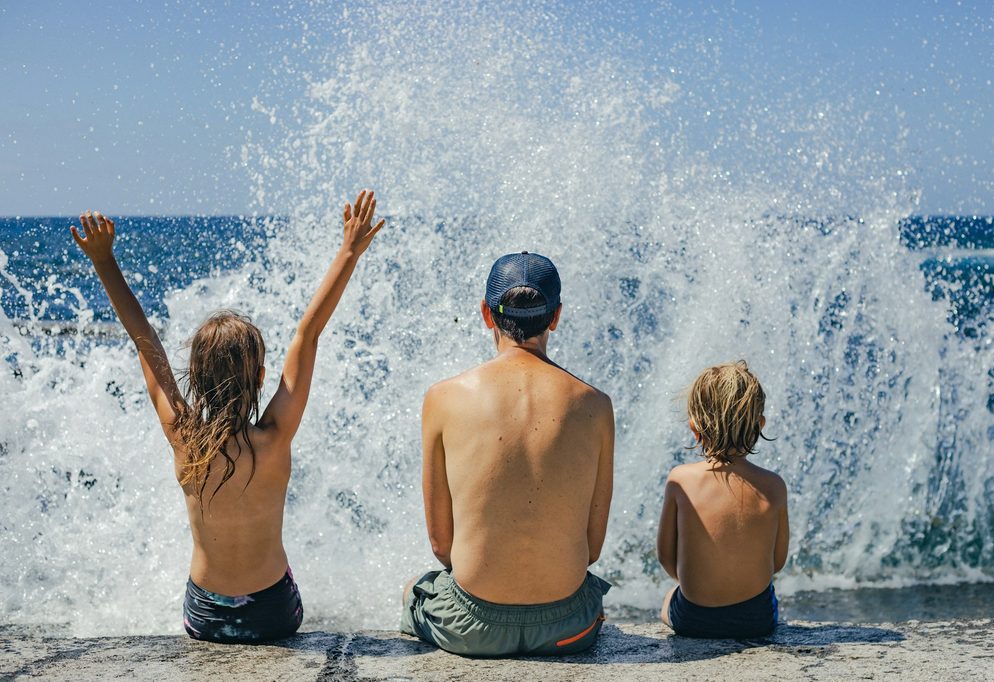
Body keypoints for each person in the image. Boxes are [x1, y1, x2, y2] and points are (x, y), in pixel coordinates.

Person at [70, 191, 384, 643]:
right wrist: (349, 251)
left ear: (193, 377)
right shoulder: (274, 436)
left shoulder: (184, 437)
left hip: (206, 616)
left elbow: (144, 339)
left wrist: (104, 260)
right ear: (260, 378)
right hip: (274, 613)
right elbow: (308, 334)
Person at [401, 251, 615, 657]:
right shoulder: (596, 405)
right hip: (568, 628)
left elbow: (441, 544)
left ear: (486, 313)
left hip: (472, 630)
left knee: (414, 589)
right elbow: (592, 548)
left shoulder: (443, 397)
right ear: (555, 317)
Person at [656, 360, 789, 639]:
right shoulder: (774, 487)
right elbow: (776, 563)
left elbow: (666, 557)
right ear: (760, 425)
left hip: (694, 619)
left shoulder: (680, 480)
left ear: (695, 428)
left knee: (668, 600)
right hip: (756, 619)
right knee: (770, 599)